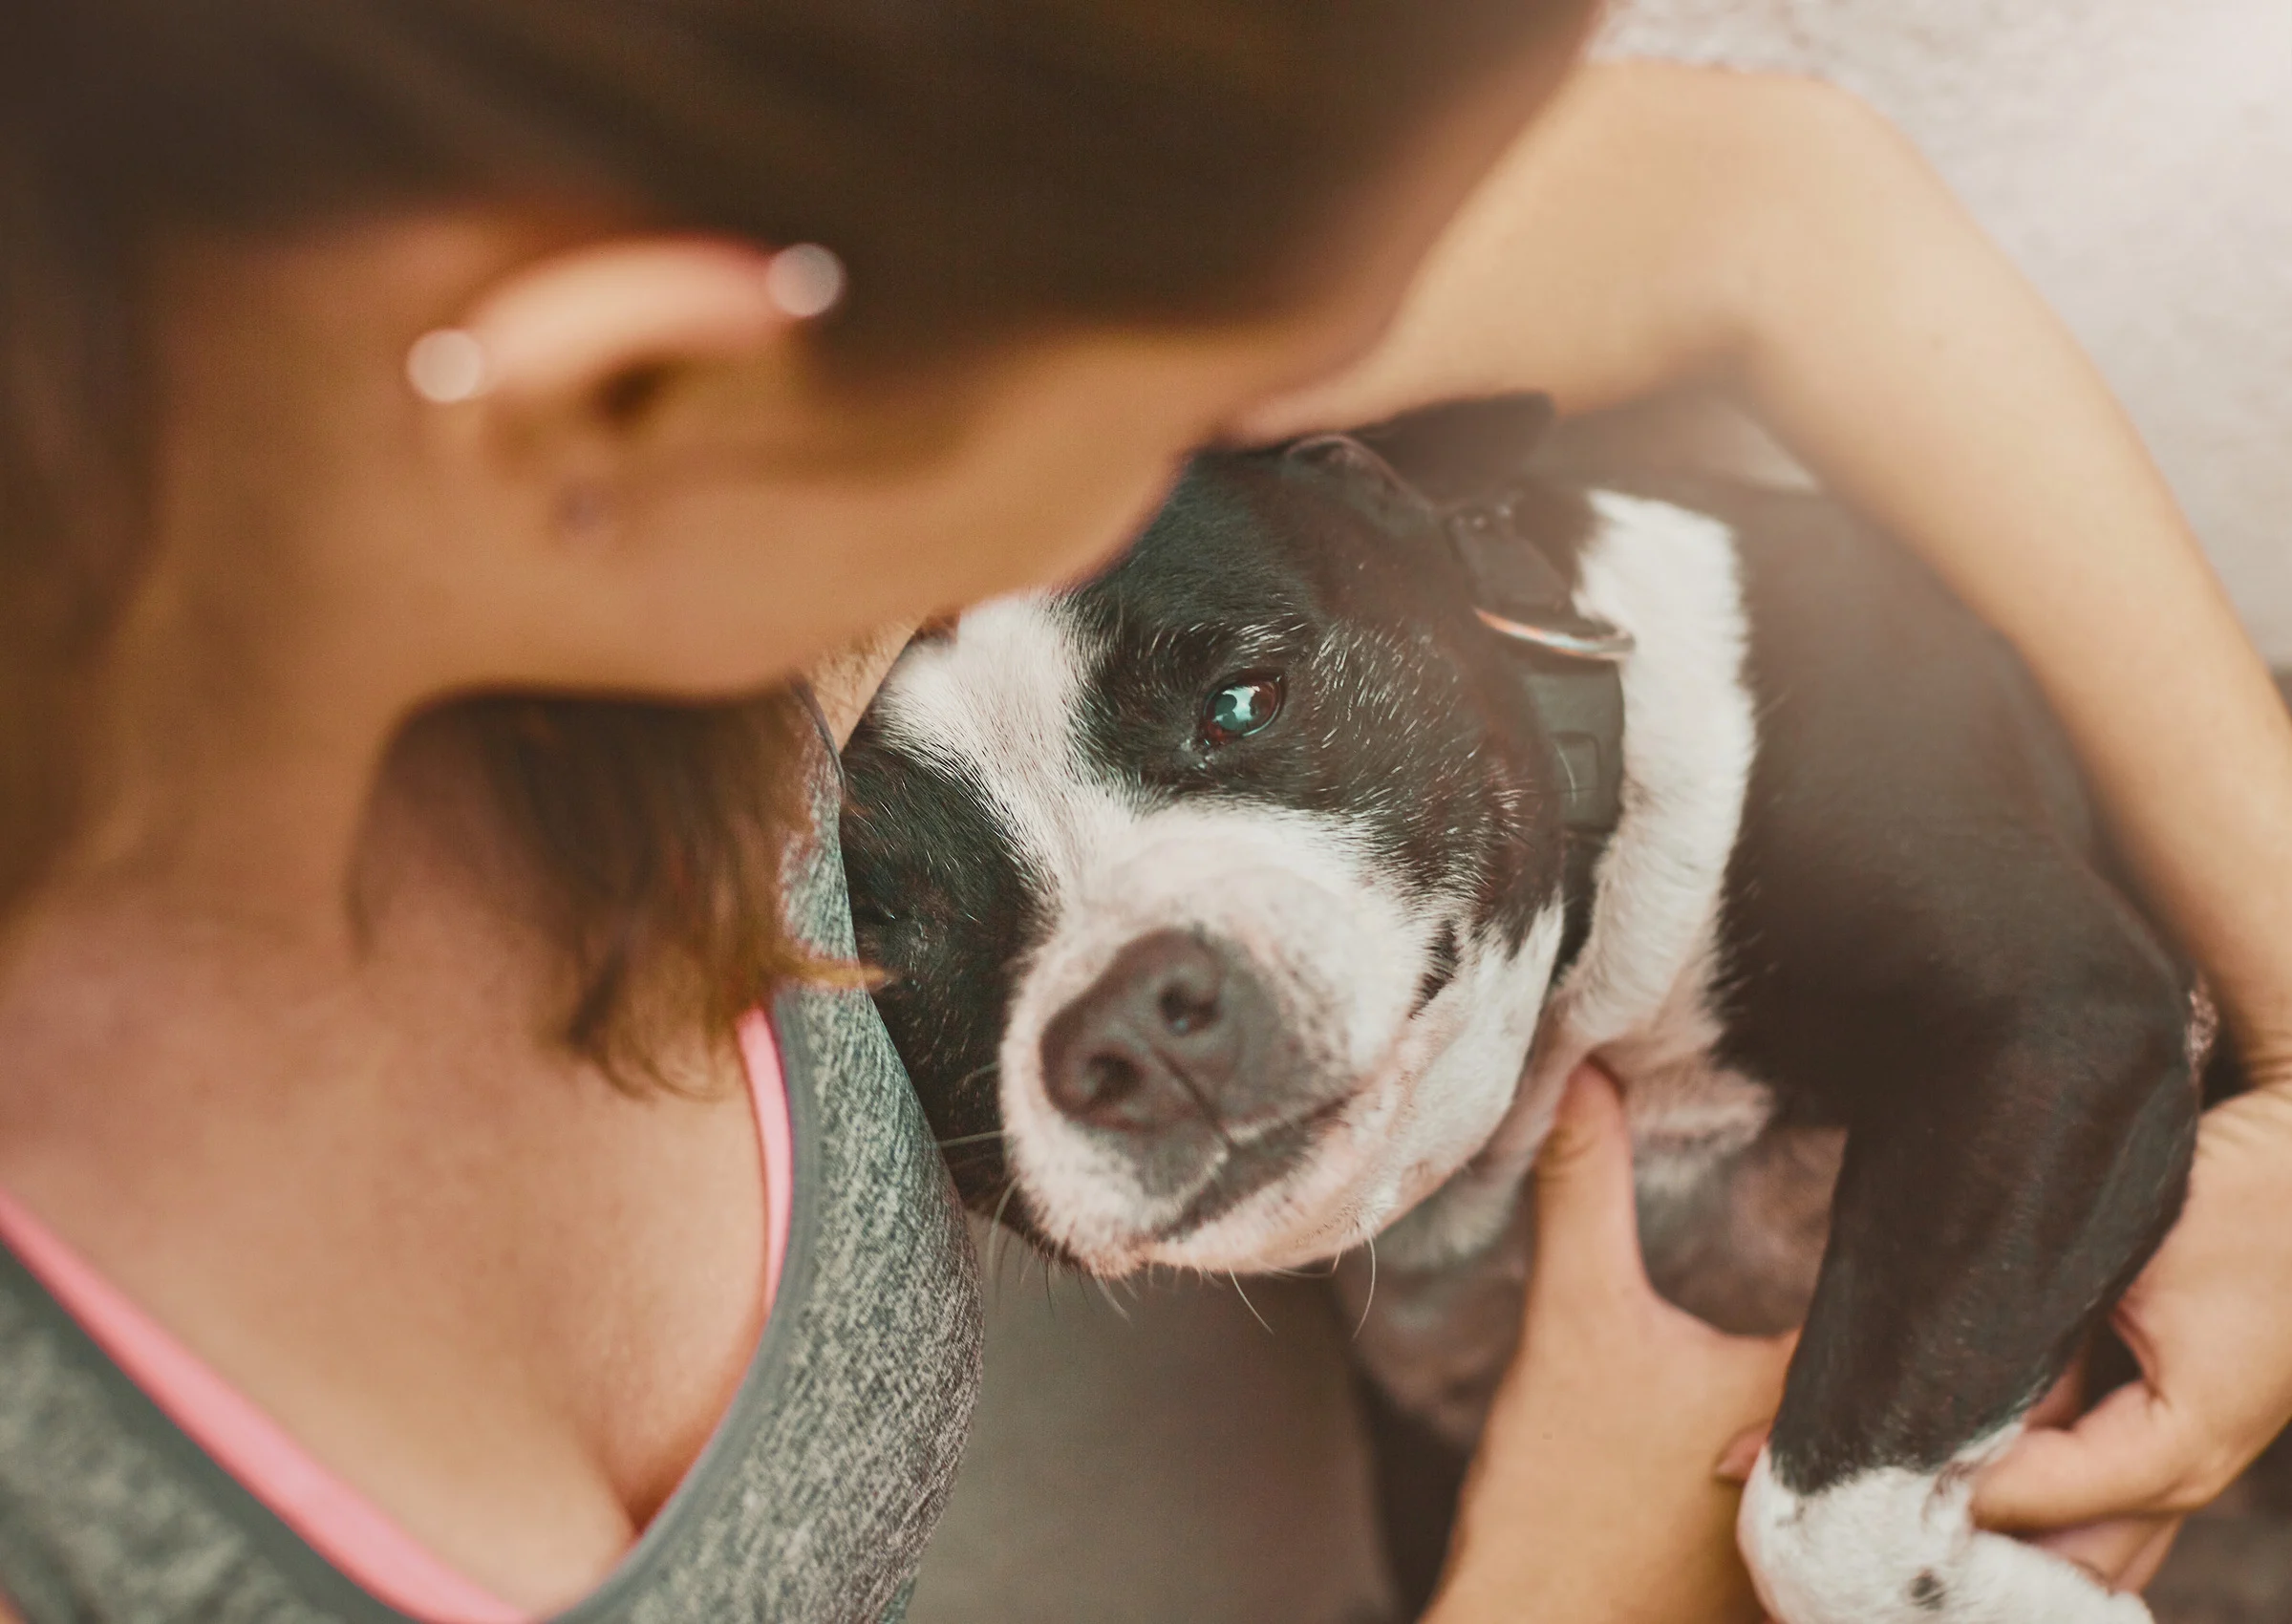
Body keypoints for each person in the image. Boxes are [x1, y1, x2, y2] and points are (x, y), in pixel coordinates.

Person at [0, 4, 2285, 1623]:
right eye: (1175, 407)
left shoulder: (730, 577)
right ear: (663, 383)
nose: (1283, 432)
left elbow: (1755, 205)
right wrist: (1570, 1585)